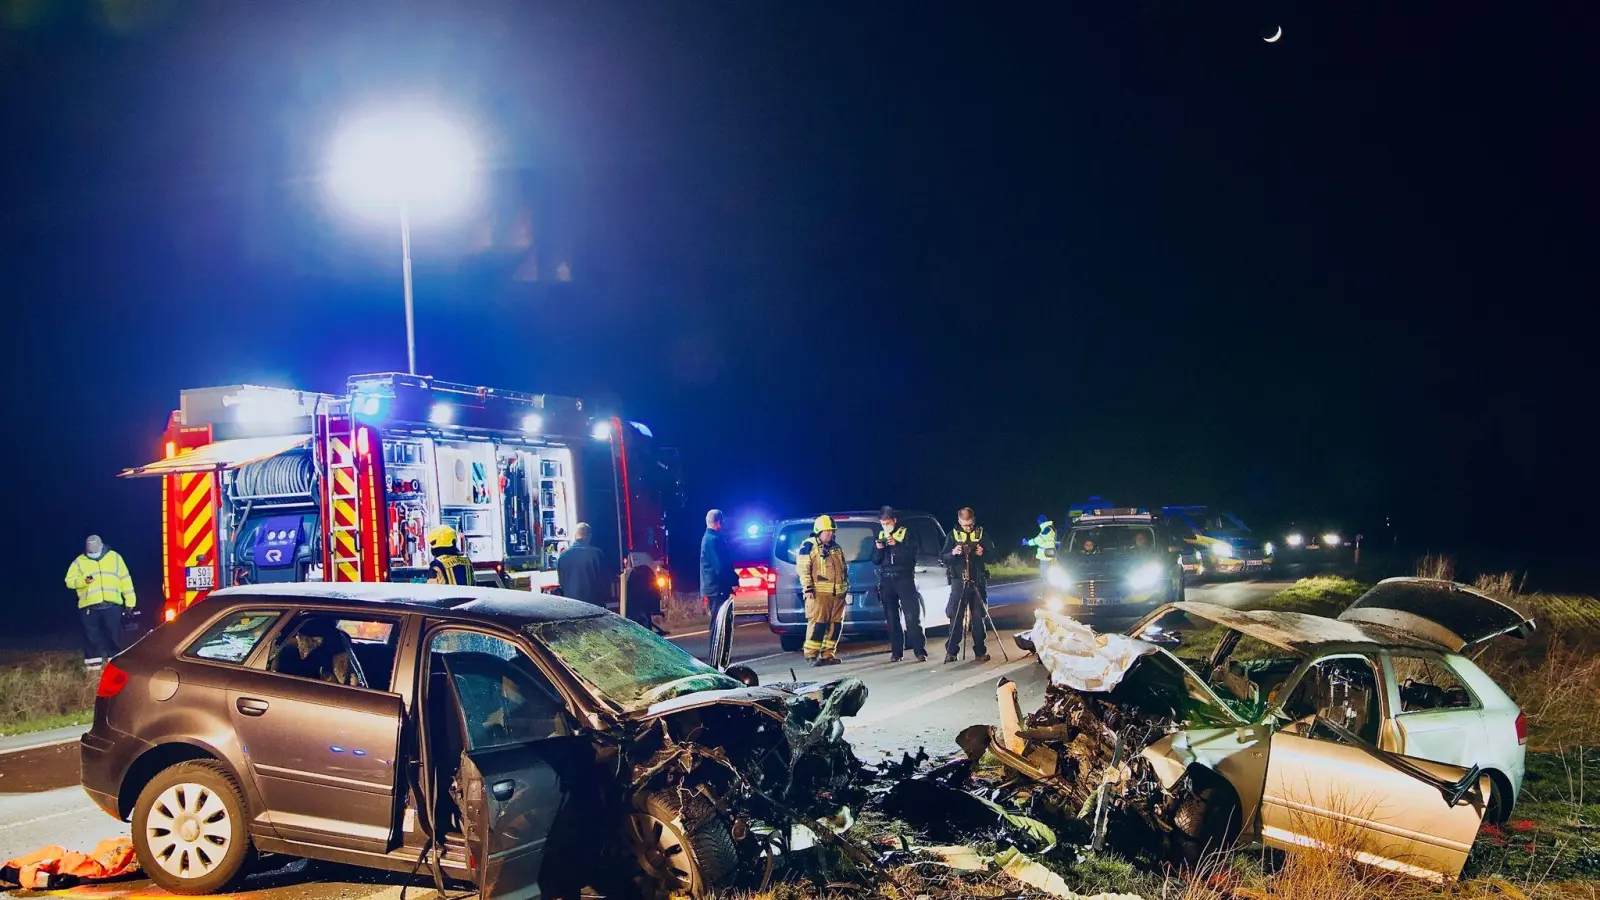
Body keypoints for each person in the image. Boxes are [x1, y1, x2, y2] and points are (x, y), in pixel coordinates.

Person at [65, 535, 137, 667]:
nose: (92, 554)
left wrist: (130, 602)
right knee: (91, 638)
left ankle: (116, 666)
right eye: (89, 552)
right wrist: (83, 581)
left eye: (95, 552)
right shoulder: (79, 561)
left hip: (112, 605)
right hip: (89, 607)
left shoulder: (115, 558)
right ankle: (93, 670)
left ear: (101, 546)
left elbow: (125, 580)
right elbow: (69, 581)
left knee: (114, 637)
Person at [940, 507, 995, 663]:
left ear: (974, 521)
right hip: (959, 581)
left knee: (978, 617)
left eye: (970, 525)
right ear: (959, 521)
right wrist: (953, 553)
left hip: (978, 581)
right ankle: (951, 652)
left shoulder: (981, 534)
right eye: (965, 525)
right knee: (955, 616)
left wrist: (983, 553)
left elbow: (994, 556)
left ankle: (980, 651)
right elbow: (943, 558)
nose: (968, 528)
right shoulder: (952, 535)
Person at [873, 506, 925, 662]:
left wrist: (896, 544)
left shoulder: (907, 533)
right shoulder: (881, 534)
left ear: (894, 520)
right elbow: (875, 560)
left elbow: (912, 555)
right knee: (891, 618)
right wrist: (879, 549)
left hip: (904, 579)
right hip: (887, 580)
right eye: (882, 523)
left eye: (887, 523)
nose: (885, 526)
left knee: (911, 616)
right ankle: (896, 653)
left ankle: (919, 651)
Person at [796, 515, 848, 666]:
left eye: (832, 531)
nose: (830, 534)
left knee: (835, 626)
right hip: (819, 594)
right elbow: (803, 569)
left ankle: (828, 655)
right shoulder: (809, 545)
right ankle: (811, 655)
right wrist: (807, 588)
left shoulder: (836, 548)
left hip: (838, 596)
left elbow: (843, 569)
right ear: (818, 531)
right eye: (827, 531)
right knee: (818, 624)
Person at [700, 509, 739, 658]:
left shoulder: (712, 538)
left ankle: (719, 654)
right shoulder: (712, 540)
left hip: (716, 588)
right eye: (721, 521)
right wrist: (732, 582)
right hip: (716, 589)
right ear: (718, 522)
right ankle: (715, 656)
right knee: (718, 623)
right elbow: (720, 566)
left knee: (721, 622)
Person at [557, 523, 612, 607]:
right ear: (589, 536)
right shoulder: (596, 554)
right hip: (594, 606)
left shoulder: (562, 556)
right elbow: (605, 581)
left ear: (575, 536)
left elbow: (562, 583)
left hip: (571, 606)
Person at [1022, 514, 1058, 580]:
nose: (1038, 523)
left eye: (1038, 521)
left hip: (1046, 556)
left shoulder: (1047, 529)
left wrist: (1027, 542)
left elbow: (1038, 540)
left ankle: (1049, 587)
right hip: (1049, 554)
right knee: (1047, 572)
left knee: (1045, 573)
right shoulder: (1049, 528)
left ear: (1040, 521)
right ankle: (1049, 585)